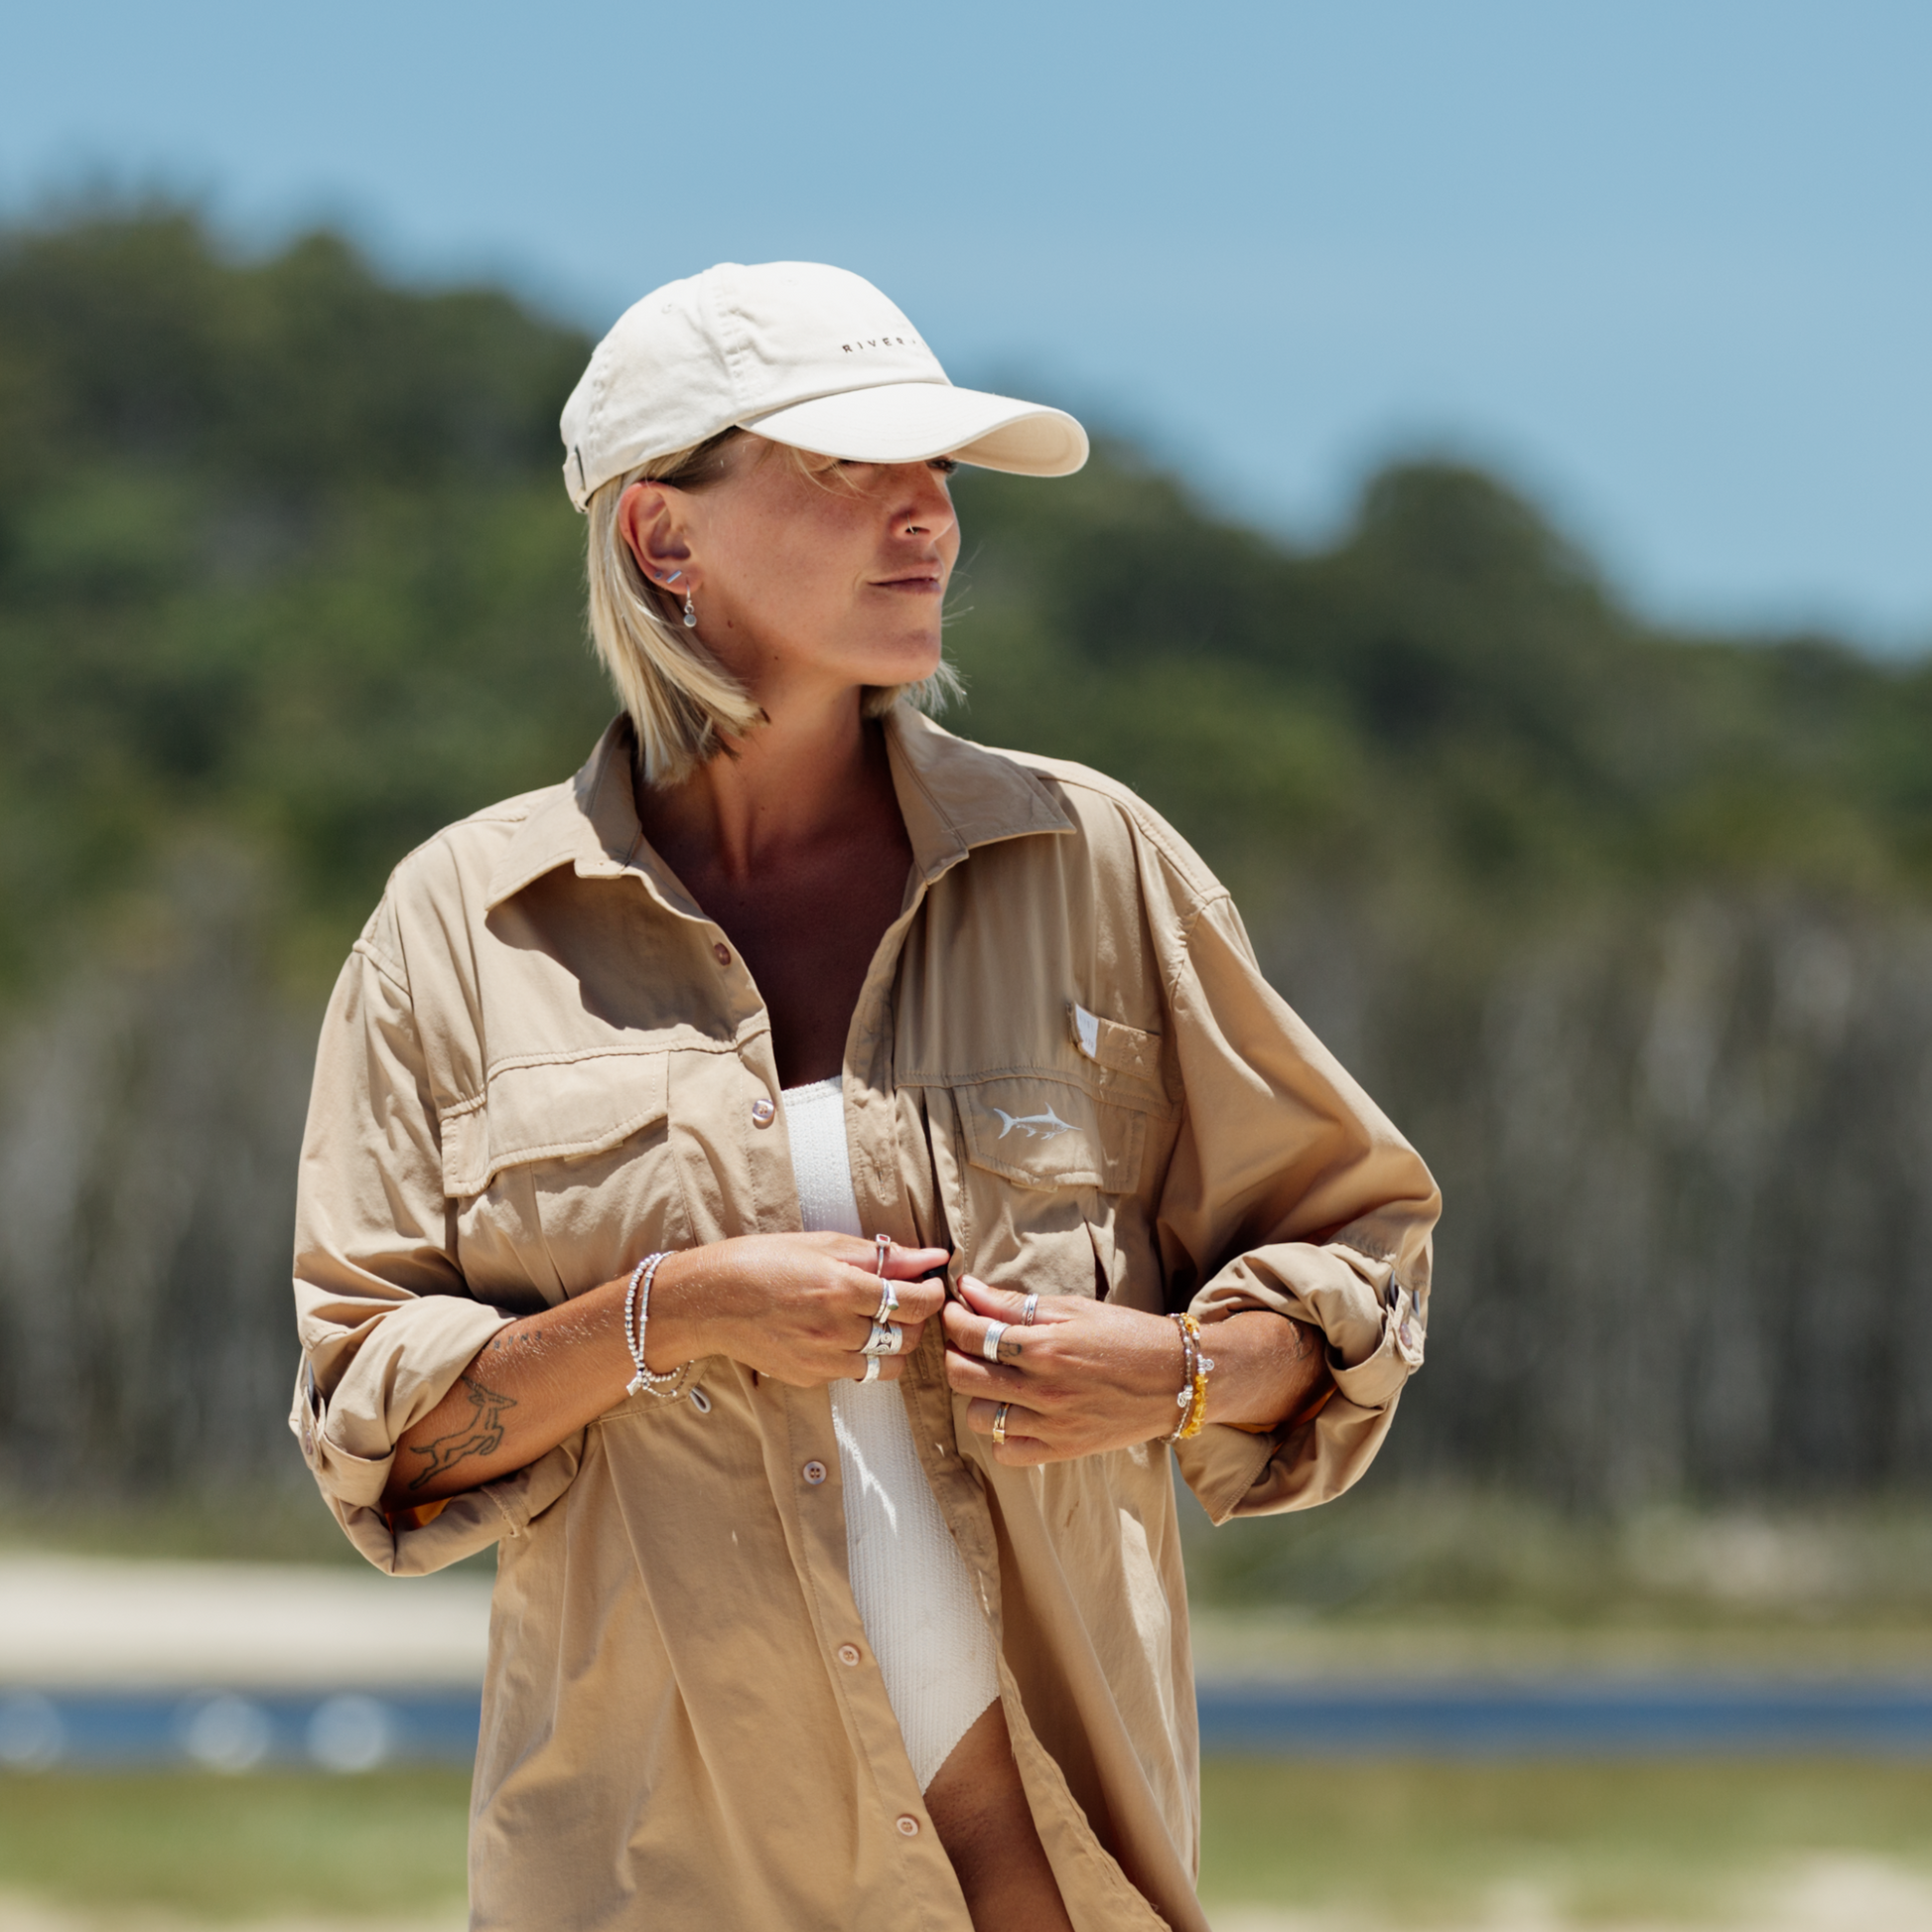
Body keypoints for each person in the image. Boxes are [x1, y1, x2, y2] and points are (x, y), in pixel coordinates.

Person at [290, 261, 1439, 1932]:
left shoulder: (1092, 863)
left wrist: (1180, 1374)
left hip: (1061, 1887)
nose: (926, 520)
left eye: (940, 476)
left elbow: (1360, 1263)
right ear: (657, 537)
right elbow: (367, 1428)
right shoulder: (457, 931)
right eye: (846, 472)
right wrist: (666, 1314)